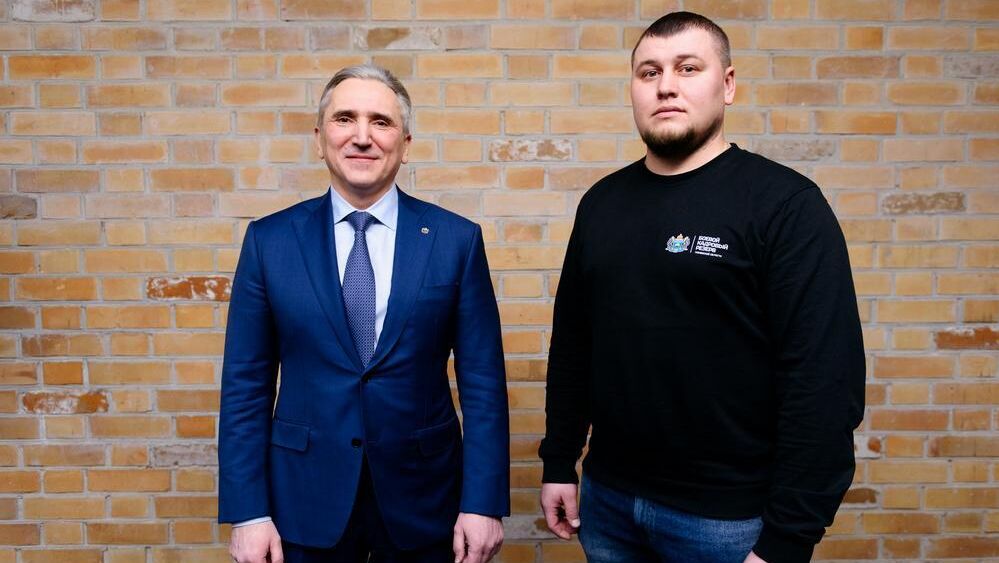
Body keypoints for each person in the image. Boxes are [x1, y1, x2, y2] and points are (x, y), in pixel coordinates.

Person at [539, 11, 865, 563]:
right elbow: (574, 346)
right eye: (649, 72)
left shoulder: (786, 206)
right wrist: (559, 462)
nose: (666, 85)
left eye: (688, 68)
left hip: (726, 521)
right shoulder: (601, 204)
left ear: (728, 85)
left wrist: (788, 539)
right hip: (608, 502)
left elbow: (824, 382)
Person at [218, 64, 509, 563]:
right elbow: (245, 386)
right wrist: (248, 513)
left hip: (425, 500)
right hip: (304, 501)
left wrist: (482, 504)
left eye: (381, 122)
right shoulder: (269, 241)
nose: (361, 136)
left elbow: (482, 384)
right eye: (344, 119)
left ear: (405, 143)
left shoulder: (455, 240)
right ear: (319, 139)